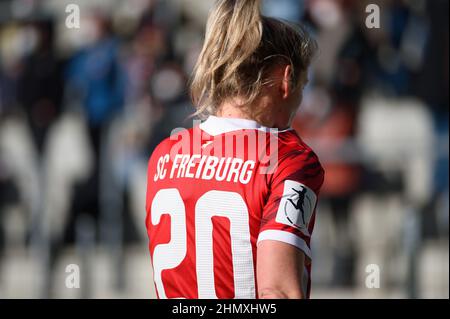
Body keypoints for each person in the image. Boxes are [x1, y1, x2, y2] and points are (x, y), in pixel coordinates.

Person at [145, 0, 324, 299]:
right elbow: (277, 290)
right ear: (285, 79)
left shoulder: (164, 155)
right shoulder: (289, 159)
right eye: (301, 87)